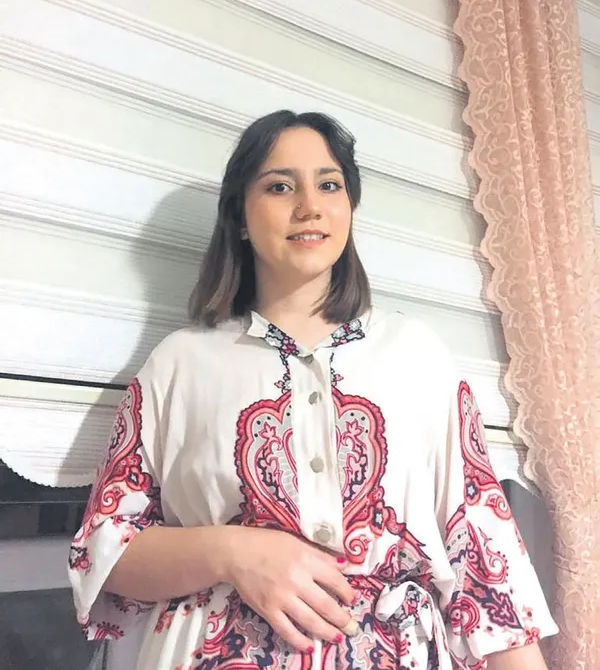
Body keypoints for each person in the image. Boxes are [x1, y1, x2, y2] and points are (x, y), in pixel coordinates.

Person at [68, 111, 558, 669]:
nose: (309, 206)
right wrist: (232, 551)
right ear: (241, 218)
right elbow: (103, 553)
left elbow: (489, 569)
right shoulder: (179, 364)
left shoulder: (418, 356)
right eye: (280, 187)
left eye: (329, 185)